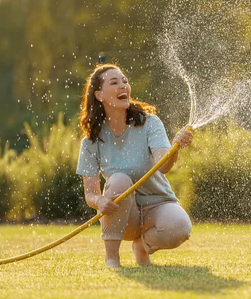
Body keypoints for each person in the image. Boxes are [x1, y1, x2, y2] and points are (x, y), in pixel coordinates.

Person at [76, 64, 193, 267]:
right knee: (119, 179)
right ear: (99, 95)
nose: (123, 86)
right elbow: (90, 194)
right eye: (114, 82)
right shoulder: (91, 141)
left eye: (125, 81)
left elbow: (163, 167)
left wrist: (176, 147)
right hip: (123, 216)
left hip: (158, 204)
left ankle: (142, 246)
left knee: (181, 227)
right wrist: (100, 201)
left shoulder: (150, 123)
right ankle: (112, 258)